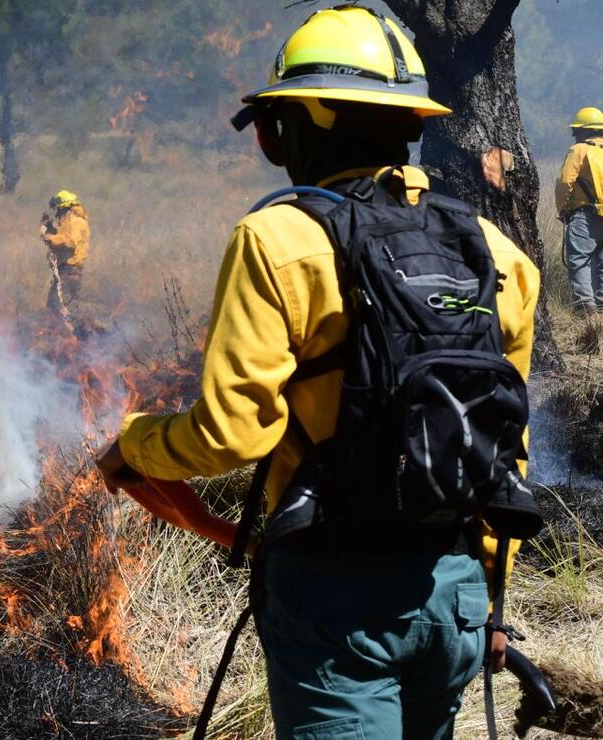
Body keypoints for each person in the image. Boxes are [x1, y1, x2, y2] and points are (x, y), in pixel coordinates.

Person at [95, 6, 540, 738]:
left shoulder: (277, 237)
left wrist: (133, 444)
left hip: (336, 591)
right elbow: (503, 452)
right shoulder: (495, 252)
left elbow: (230, 435)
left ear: (298, 128)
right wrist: (491, 603)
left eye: (273, 124)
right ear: (409, 124)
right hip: (454, 588)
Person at [555, 106, 603, 313]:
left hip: (585, 214)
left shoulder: (579, 150)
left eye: (576, 132)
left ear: (584, 131)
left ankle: (585, 310)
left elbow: (565, 182)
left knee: (580, 261)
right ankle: (600, 311)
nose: (575, 136)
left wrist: (563, 209)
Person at [40, 190, 90, 315]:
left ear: (65, 208)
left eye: (58, 210)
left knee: (57, 310)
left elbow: (70, 242)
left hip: (69, 272)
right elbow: (61, 243)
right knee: (59, 309)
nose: (57, 214)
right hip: (65, 272)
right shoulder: (67, 224)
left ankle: (78, 331)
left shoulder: (76, 222)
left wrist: (50, 238)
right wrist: (49, 231)